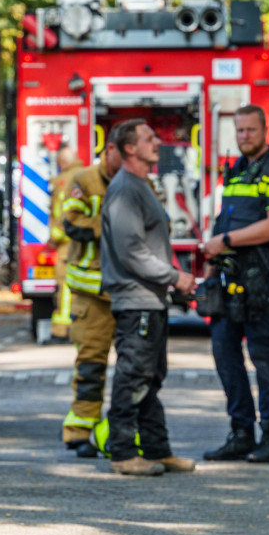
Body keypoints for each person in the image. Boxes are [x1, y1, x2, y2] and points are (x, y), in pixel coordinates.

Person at [99, 119, 197, 476]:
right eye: (148, 138)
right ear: (129, 148)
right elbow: (131, 251)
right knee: (133, 376)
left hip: (150, 300)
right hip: (136, 300)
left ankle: (158, 449)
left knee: (150, 377)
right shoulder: (125, 190)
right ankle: (123, 454)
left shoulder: (142, 186)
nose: (157, 142)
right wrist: (175, 277)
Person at [201, 105, 269, 464]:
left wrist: (224, 241)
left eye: (250, 131)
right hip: (228, 277)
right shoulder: (238, 169)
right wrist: (211, 266)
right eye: (239, 131)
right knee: (225, 354)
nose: (244, 137)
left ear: (265, 130)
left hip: (259, 278)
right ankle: (241, 433)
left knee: (263, 357)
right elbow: (225, 219)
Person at [59, 134, 122, 457]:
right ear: (110, 150)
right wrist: (113, 225)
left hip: (124, 292)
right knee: (90, 367)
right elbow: (71, 223)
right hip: (92, 294)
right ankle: (79, 431)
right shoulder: (83, 180)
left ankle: (121, 431)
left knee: (132, 369)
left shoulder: (137, 180)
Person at [48, 139, 83, 339]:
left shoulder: (65, 180)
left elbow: (62, 212)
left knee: (66, 284)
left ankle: (63, 330)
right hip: (80, 241)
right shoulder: (83, 176)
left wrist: (55, 237)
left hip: (67, 243)